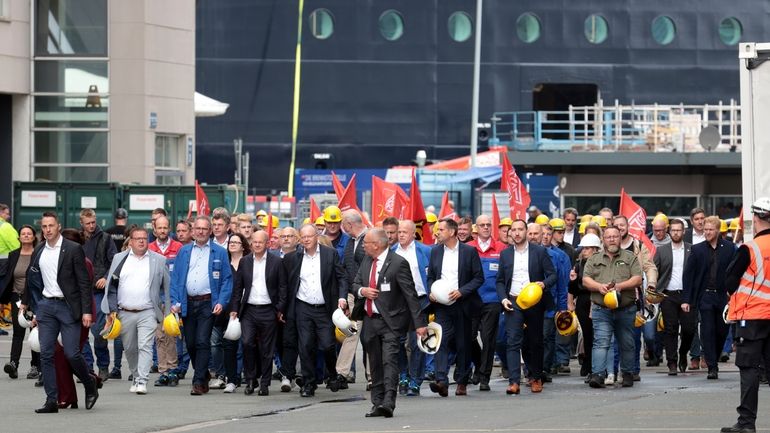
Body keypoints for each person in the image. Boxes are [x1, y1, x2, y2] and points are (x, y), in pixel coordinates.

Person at [21, 212, 99, 413]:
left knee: (71, 353)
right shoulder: (39, 250)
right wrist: (26, 303)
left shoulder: (72, 249)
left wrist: (86, 312)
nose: (47, 230)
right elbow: (32, 278)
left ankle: (89, 385)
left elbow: (83, 282)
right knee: (46, 354)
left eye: (51, 226)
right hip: (46, 307)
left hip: (68, 307)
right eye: (44, 226)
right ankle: (51, 400)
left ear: (59, 227)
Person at [353, 228, 426, 418]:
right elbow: (355, 284)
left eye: (365, 243)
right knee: (375, 363)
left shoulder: (398, 263)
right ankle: (377, 403)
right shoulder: (366, 260)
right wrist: (363, 291)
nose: (363, 246)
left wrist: (419, 324)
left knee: (389, 360)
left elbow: (411, 295)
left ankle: (388, 402)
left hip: (391, 322)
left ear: (376, 245)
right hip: (370, 321)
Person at [720, 197, 770, 433]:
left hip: (753, 317)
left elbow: (730, 281)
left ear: (756, 218)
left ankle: (746, 423)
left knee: (749, 369)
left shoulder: (750, 248)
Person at [282, 224, 349, 397]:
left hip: (324, 308)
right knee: (305, 346)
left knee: (327, 345)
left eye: (309, 237)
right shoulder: (293, 258)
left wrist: (342, 298)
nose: (306, 240)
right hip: (303, 307)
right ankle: (309, 383)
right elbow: (286, 284)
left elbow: (341, 277)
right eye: (303, 237)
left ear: (317, 236)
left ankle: (332, 374)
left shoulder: (330, 254)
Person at [102, 227, 170, 395]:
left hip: (147, 311)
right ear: (130, 242)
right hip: (124, 311)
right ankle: (135, 375)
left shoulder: (159, 260)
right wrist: (111, 310)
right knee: (130, 348)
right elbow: (110, 286)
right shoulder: (119, 259)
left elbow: (167, 287)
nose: (141, 241)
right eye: (137, 238)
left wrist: (167, 311)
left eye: (144, 238)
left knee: (145, 346)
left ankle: (142, 380)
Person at [169, 215, 233, 396]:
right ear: (192, 231)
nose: (201, 232)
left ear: (210, 231)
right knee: (190, 343)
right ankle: (203, 372)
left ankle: (198, 382)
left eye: (205, 229)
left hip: (208, 303)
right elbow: (176, 279)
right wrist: (175, 302)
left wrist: (221, 301)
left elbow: (227, 279)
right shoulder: (184, 251)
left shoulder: (219, 252)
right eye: (198, 228)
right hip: (187, 303)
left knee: (202, 341)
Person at [495, 220, 556, 395]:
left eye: (520, 229)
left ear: (526, 231)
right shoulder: (505, 254)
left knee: (535, 341)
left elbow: (552, 275)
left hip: (535, 302)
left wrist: (543, 284)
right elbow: (499, 281)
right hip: (513, 302)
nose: (516, 233)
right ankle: (514, 381)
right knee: (513, 341)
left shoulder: (540, 252)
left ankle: (536, 377)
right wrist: (503, 298)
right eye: (513, 230)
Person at [427, 218, 483, 397]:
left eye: (441, 229)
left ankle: (462, 381)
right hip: (441, 306)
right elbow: (431, 277)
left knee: (463, 344)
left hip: (463, 305)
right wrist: (431, 291)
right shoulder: (435, 251)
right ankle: (441, 381)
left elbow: (478, 278)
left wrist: (462, 291)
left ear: (452, 232)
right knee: (440, 341)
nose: (437, 233)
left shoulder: (469, 251)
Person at [582, 226, 643, 389]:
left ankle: (628, 373)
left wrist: (620, 286)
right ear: (603, 239)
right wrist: (599, 287)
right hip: (601, 309)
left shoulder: (630, 257)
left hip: (625, 308)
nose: (612, 239)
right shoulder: (594, 259)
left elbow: (638, 279)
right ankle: (598, 375)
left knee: (627, 342)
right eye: (608, 237)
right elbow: (586, 280)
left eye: (615, 236)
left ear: (620, 237)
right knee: (601, 342)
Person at [231, 231, 287, 396]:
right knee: (247, 343)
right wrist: (234, 308)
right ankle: (250, 379)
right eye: (254, 242)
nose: (256, 245)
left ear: (267, 243)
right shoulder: (245, 261)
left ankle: (265, 383)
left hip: (268, 310)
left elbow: (283, 287)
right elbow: (238, 288)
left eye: (260, 242)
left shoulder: (276, 262)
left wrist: (280, 309)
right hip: (248, 310)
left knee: (267, 349)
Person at [683, 215, 735, 380]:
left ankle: (716, 355)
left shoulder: (729, 248)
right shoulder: (697, 250)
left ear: (718, 231)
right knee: (707, 331)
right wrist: (687, 299)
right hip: (705, 295)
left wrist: (732, 291)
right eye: (705, 230)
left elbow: (735, 272)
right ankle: (712, 366)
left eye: (710, 230)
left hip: (723, 296)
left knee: (721, 331)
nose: (707, 232)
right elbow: (689, 276)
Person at [467, 214, 507, 391]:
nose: (485, 227)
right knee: (468, 337)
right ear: (476, 228)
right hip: (471, 300)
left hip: (492, 300)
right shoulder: (467, 248)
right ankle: (478, 364)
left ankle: (484, 376)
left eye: (488, 225)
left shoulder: (502, 248)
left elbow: (506, 276)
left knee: (488, 339)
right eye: (482, 225)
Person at [79, 208, 119, 381]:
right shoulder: (77, 240)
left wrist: (105, 277)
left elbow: (114, 262)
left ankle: (103, 366)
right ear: (81, 223)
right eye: (88, 223)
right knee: (81, 333)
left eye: (93, 222)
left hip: (98, 292)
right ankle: (87, 368)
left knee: (98, 331)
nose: (91, 226)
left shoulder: (105, 238)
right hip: (80, 292)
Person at [393, 219, 432, 395]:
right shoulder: (391, 252)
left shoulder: (425, 251)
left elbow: (432, 274)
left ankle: (416, 380)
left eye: (404, 232)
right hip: (398, 303)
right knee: (399, 341)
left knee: (417, 343)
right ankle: (403, 375)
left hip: (420, 301)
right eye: (398, 232)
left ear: (412, 233)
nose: (400, 235)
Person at [653, 218, 695, 375]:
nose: (676, 233)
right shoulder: (662, 250)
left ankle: (683, 353)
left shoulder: (692, 250)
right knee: (670, 329)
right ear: (669, 232)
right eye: (674, 230)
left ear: (684, 231)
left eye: (679, 230)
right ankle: (671, 362)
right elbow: (654, 270)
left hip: (687, 295)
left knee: (689, 329)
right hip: (668, 295)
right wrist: (653, 289)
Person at [1, 225, 41, 380]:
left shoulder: (38, 254)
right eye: (23, 234)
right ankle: (13, 364)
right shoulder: (13, 254)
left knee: (34, 332)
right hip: (15, 298)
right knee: (17, 332)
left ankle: (35, 366)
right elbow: (9, 276)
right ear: (19, 238)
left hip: (33, 298)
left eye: (28, 233)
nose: (25, 236)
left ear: (33, 237)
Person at [148, 215, 183, 387]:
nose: (162, 231)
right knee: (159, 337)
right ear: (154, 229)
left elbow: (181, 274)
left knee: (171, 335)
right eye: (159, 228)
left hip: (171, 298)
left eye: (165, 227)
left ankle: (173, 370)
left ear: (169, 229)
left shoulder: (178, 248)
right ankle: (163, 371)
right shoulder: (149, 248)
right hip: (155, 299)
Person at [337, 210, 369, 386]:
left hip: (369, 295)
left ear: (349, 224)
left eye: (343, 224)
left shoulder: (371, 239)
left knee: (370, 338)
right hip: (353, 296)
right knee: (351, 333)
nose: (342, 228)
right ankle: (341, 372)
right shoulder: (349, 242)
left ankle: (372, 377)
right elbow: (345, 270)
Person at [568, 233, 602, 380]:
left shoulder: (601, 264)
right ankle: (587, 364)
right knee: (587, 335)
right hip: (583, 301)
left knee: (598, 336)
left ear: (595, 249)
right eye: (583, 248)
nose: (584, 251)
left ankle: (597, 367)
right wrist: (573, 281)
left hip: (597, 299)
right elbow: (573, 288)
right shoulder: (579, 264)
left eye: (587, 248)